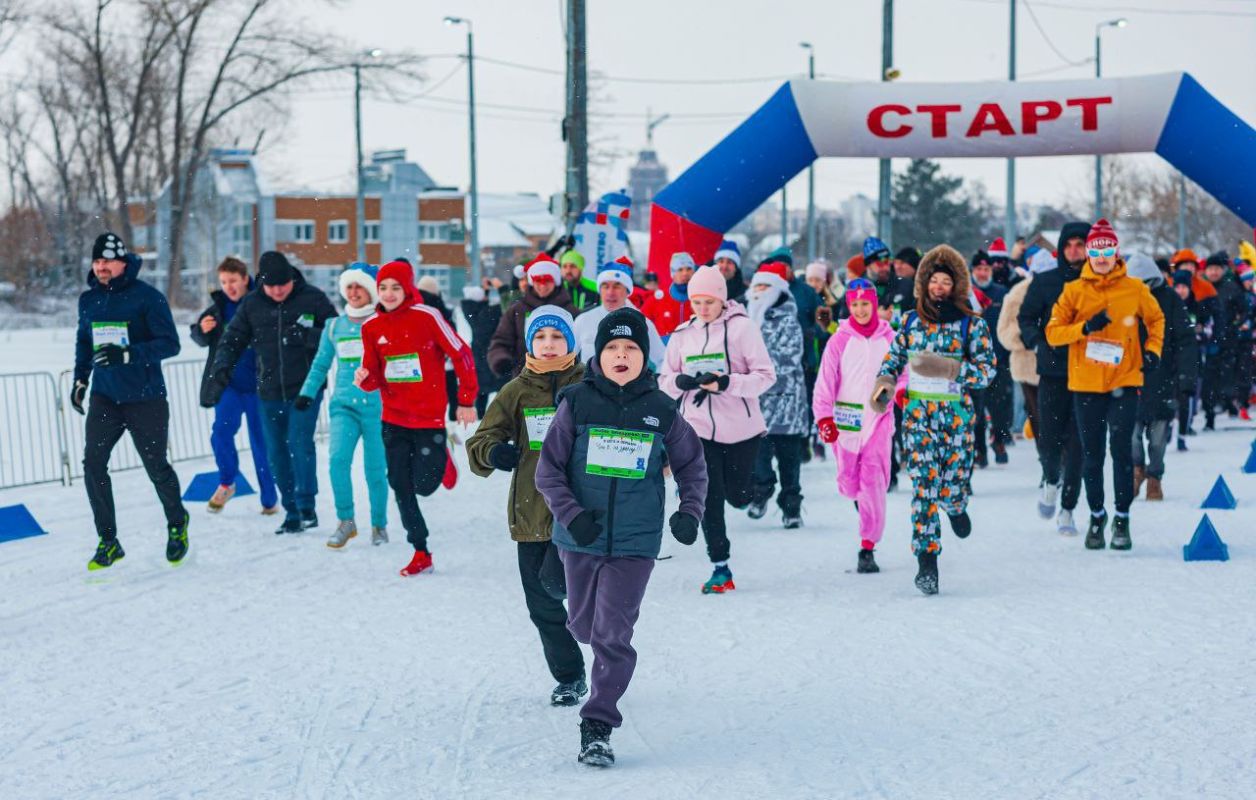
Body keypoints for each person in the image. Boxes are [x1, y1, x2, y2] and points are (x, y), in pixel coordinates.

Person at [534, 308, 707, 767]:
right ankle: (590, 640)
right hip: (580, 536)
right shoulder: (576, 402)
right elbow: (547, 470)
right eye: (613, 347)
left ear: (644, 356)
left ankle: (597, 724)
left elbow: (693, 464)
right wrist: (571, 517)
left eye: (631, 348)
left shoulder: (661, 409)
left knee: (613, 634)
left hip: (635, 541)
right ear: (600, 354)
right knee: (584, 625)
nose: (622, 355)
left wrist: (689, 512)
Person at [466, 305, 588, 708]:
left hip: (582, 513)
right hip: (532, 513)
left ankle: (610, 663)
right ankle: (570, 676)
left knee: (585, 598)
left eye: (556, 337)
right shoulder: (515, 391)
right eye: (540, 338)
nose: (548, 345)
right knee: (543, 605)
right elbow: (480, 441)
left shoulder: (590, 385)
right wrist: (495, 452)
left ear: (570, 342)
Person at [873, 245, 995, 595]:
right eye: (934, 281)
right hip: (918, 419)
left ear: (956, 286)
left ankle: (956, 505)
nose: (939, 287)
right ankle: (927, 562)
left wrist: (951, 370)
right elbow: (892, 360)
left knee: (951, 485)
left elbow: (987, 372)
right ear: (924, 284)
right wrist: (883, 385)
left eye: (946, 282)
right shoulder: (911, 321)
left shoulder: (972, 325)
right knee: (924, 489)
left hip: (956, 417)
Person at [1045, 219, 1164, 551]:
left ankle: (1122, 518)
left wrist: (1152, 351)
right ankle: (1097, 516)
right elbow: (1053, 332)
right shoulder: (1074, 291)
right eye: (1095, 251)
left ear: (1116, 253)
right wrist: (1083, 328)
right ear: (1087, 254)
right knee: (1091, 454)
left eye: (1106, 251)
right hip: (1085, 383)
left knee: (1122, 452)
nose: (1101, 258)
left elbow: (1156, 319)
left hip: (1124, 380)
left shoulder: (1135, 288)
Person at [354, 259, 478, 577]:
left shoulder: (427, 316)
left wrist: (466, 400)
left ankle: (444, 457)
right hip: (394, 418)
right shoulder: (371, 327)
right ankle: (420, 550)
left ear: (407, 288)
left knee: (424, 486)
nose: (389, 293)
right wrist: (364, 378)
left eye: (396, 287)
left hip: (428, 419)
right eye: (383, 288)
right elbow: (374, 377)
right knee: (399, 483)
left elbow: (461, 353)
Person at [73, 232, 189, 570]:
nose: (101, 267)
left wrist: (128, 354)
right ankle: (108, 541)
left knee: (156, 466)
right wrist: (81, 378)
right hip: (105, 397)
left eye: (106, 261)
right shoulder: (89, 300)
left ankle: (177, 522)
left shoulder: (147, 298)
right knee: (93, 464)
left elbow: (170, 344)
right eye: (96, 262)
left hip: (145, 397)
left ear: (123, 262)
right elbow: (84, 340)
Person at [203, 251, 338, 534]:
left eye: (283, 285)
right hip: (268, 390)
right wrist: (222, 366)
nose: (277, 291)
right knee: (275, 452)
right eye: (271, 285)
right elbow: (232, 339)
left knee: (299, 444)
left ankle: (306, 506)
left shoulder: (312, 298)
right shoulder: (253, 304)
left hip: (306, 388)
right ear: (261, 282)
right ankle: (290, 510)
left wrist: (307, 337)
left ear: (292, 278)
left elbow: (336, 333)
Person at [660, 266, 775, 594]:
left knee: (737, 496)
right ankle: (720, 566)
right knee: (709, 496)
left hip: (741, 428)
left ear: (722, 299)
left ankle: (757, 489)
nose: (702, 309)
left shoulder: (743, 329)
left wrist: (726, 382)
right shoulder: (683, 334)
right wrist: (679, 382)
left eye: (709, 301)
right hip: (696, 428)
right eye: (697, 302)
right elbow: (664, 379)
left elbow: (766, 376)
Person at [295, 263, 389, 548]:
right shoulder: (335, 326)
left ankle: (379, 525)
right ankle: (346, 521)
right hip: (343, 406)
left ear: (371, 290)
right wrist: (306, 393)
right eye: (349, 286)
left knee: (375, 470)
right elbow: (321, 363)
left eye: (360, 286)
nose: (354, 292)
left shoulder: (383, 323)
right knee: (337, 461)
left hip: (378, 408)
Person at [813, 278, 902, 573]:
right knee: (850, 484)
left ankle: (868, 545)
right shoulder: (839, 339)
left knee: (873, 483)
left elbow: (903, 374)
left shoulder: (890, 338)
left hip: (877, 421)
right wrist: (824, 418)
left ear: (874, 305)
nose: (861, 310)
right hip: (847, 424)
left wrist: (900, 393)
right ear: (848, 306)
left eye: (866, 304)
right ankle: (861, 502)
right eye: (855, 304)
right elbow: (825, 381)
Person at [190, 256, 278, 515]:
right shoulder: (218, 308)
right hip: (229, 385)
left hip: (259, 387)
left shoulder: (260, 302)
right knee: (220, 434)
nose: (228, 287)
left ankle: (269, 498)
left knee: (261, 443)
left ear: (244, 279)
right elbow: (198, 337)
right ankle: (227, 482)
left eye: (233, 281)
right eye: (223, 282)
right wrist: (201, 330)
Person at [1018, 222, 1090, 535]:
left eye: (1080, 244)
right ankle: (1050, 479)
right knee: (1049, 436)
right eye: (1069, 245)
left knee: (1079, 444)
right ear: (1060, 249)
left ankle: (1068, 509)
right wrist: (1037, 341)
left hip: (1088, 372)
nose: (1074, 250)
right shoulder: (1046, 281)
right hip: (1052, 370)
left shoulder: (1097, 282)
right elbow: (1026, 317)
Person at [1126, 254, 1197, 501]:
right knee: (1131, 434)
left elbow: (1186, 340)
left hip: (1162, 377)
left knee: (1157, 439)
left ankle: (1155, 477)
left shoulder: (1169, 300)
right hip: (1129, 378)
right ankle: (1137, 471)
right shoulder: (1123, 300)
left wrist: (1186, 377)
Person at [745, 262, 809, 528]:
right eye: (756, 286)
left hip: (787, 403)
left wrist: (759, 371)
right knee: (757, 455)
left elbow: (790, 357)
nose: (759, 291)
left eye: (764, 286)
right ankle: (761, 492)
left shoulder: (788, 318)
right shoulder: (747, 318)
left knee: (789, 460)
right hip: (757, 403)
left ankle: (791, 507)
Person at [997, 249, 1054, 480]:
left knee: (1058, 419)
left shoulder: (1064, 288)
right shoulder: (1018, 293)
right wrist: (1029, 338)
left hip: (1059, 365)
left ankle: (1058, 462)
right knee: (1038, 419)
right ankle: (1048, 466)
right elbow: (1004, 330)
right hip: (1028, 366)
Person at [488, 255, 578, 379]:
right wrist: (501, 359)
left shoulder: (570, 312)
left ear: (556, 281)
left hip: (565, 380)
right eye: (538, 281)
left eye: (547, 280)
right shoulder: (517, 310)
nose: (542, 286)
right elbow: (501, 340)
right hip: (524, 381)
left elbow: (582, 346)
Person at [571, 258, 665, 369]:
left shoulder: (641, 323)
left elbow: (663, 360)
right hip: (590, 385)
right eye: (605, 286)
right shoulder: (583, 320)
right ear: (600, 290)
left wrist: (657, 383)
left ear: (627, 291)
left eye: (617, 286)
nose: (610, 292)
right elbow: (567, 360)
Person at [970, 252, 1013, 466]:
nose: (982, 273)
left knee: (1000, 406)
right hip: (975, 360)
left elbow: (1009, 323)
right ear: (972, 271)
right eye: (978, 269)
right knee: (977, 408)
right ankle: (979, 450)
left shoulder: (1001, 293)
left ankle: (998, 439)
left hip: (999, 358)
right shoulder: (966, 293)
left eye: (986, 269)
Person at [1201, 252, 1246, 424]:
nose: (1213, 272)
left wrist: (1236, 324)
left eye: (1217, 269)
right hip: (1207, 340)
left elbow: (1244, 309)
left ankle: (1229, 401)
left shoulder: (1231, 287)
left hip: (1229, 339)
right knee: (1208, 378)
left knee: (1227, 374)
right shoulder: (1202, 287)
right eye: (1210, 269)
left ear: (1222, 270)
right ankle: (1209, 413)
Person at [460, 277, 506, 417]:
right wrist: (500, 288)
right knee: (502, 389)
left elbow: (481, 305)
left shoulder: (471, 311)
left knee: (482, 390)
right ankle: (501, 415)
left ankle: (480, 416)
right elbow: (506, 306)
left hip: (479, 357)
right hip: (494, 354)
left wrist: (484, 291)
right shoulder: (488, 314)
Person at [642, 251, 696, 339]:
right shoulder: (657, 299)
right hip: (664, 351)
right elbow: (639, 325)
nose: (685, 273)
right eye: (680, 269)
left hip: (694, 351)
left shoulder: (702, 298)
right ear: (673, 274)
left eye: (689, 269)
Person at [713, 239, 747, 303]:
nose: (724, 266)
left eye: (729, 262)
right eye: (721, 261)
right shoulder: (704, 286)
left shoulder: (744, 293)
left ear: (736, 268)